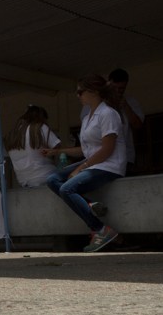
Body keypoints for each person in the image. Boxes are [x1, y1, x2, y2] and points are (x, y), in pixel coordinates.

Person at [43, 75, 126, 253]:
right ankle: (89, 205)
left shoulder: (108, 114)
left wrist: (81, 168)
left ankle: (100, 229)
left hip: (108, 165)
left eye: (80, 92)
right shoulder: (88, 117)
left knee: (67, 189)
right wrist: (57, 151)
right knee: (52, 180)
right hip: (94, 163)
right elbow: (85, 149)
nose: (77, 95)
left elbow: (107, 149)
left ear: (94, 92)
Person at [5, 105, 61, 187]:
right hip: (44, 175)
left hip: (22, 181)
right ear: (42, 118)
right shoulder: (40, 128)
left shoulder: (12, 134)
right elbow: (58, 148)